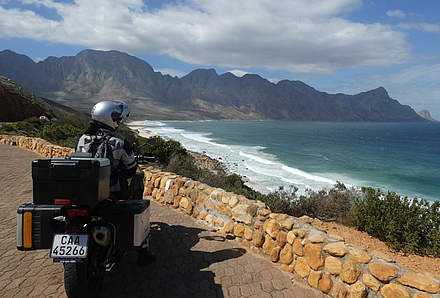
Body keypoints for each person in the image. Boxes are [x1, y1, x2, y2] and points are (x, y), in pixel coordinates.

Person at [76, 100, 137, 200]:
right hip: (111, 192)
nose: (119, 121)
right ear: (110, 118)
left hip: (84, 188)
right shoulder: (120, 143)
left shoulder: (82, 139)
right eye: (117, 118)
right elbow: (131, 170)